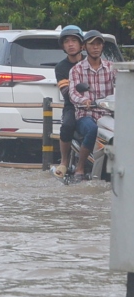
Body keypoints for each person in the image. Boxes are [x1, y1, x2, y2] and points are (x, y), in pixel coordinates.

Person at [67, 30, 115, 182]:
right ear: (84, 47)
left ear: (102, 47)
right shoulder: (77, 69)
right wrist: (84, 101)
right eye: (92, 44)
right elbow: (73, 93)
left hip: (107, 114)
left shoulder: (112, 68)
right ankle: (80, 167)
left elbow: (125, 85)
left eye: (98, 44)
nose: (95, 47)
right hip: (86, 115)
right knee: (92, 129)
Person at [54, 26, 86, 178]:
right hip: (72, 106)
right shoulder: (61, 67)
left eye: (74, 40)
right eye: (67, 41)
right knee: (67, 125)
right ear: (63, 46)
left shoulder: (92, 62)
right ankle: (64, 160)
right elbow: (66, 92)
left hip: (96, 105)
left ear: (82, 44)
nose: (71, 44)